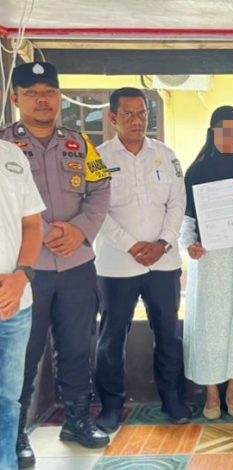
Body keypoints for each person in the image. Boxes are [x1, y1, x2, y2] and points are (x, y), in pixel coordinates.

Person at [0, 62, 112, 468]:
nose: (42, 100)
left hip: (77, 264)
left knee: (78, 346)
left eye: (49, 91)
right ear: (16, 99)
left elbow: (101, 189)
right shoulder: (5, 147)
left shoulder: (82, 144)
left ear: (60, 96)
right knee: (23, 354)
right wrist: (48, 232)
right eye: (32, 93)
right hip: (25, 271)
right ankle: (15, 434)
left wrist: (80, 230)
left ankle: (77, 421)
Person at [93, 87, 190, 432]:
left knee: (168, 335)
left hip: (163, 263)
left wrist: (163, 243)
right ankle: (110, 406)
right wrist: (132, 245)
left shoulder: (166, 154)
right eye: (128, 114)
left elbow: (177, 203)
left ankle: (173, 399)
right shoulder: (97, 158)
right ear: (113, 117)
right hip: (116, 265)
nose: (137, 121)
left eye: (142, 113)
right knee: (111, 338)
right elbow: (96, 210)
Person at [182, 106, 233, 420]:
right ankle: (212, 394)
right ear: (212, 133)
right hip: (209, 256)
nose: (230, 137)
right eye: (224, 131)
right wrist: (189, 245)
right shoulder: (196, 171)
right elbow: (187, 217)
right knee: (210, 325)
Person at [0, 138, 44, 470]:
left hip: (15, 302)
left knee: (6, 401)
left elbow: (31, 224)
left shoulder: (12, 155)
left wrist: (21, 277)